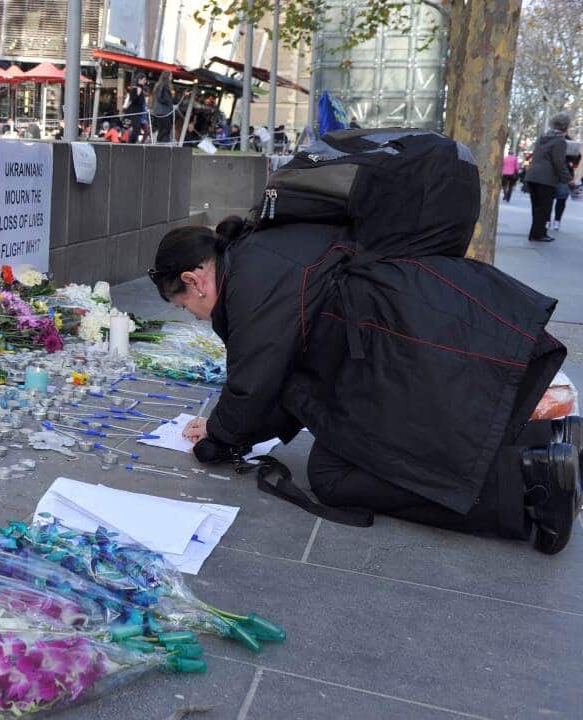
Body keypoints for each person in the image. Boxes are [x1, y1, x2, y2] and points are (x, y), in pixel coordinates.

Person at [149, 215, 579, 554]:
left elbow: (254, 381)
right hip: (415, 328)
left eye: (184, 306)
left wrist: (218, 439)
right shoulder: (258, 255)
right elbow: (281, 382)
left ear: (195, 280)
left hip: (406, 350)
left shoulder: (250, 285)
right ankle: (549, 440)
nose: (193, 316)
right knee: (402, 444)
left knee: (333, 475)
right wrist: (229, 431)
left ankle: (531, 481)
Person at [524, 113, 575, 242]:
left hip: (533, 176)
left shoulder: (543, 137)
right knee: (545, 208)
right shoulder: (560, 141)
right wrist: (569, 179)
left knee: (536, 207)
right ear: (566, 126)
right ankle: (538, 234)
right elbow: (558, 162)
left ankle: (535, 233)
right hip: (546, 179)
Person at [550, 147, 581, 230]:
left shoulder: (572, 148)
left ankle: (550, 221)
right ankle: (555, 221)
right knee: (560, 200)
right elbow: (576, 164)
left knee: (553, 200)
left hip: (557, 177)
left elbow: (575, 164)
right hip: (560, 177)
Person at [122, 73, 149, 144]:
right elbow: (132, 100)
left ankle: (135, 144)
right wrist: (137, 94)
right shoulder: (134, 89)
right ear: (139, 80)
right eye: (144, 80)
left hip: (140, 114)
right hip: (135, 113)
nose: (145, 81)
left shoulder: (141, 89)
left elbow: (141, 103)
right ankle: (130, 144)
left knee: (142, 130)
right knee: (136, 130)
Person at [152, 71, 175, 143]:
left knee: (164, 129)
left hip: (162, 111)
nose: (171, 78)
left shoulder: (160, 85)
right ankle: (160, 144)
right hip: (163, 112)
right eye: (170, 76)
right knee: (164, 130)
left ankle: (161, 144)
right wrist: (169, 100)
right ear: (167, 77)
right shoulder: (163, 86)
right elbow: (160, 98)